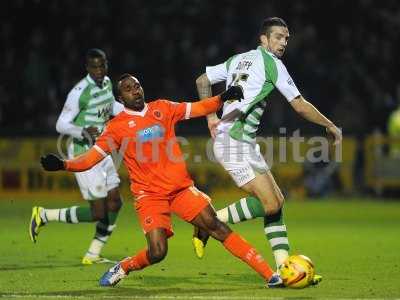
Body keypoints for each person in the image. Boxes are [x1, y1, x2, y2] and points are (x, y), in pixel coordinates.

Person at [40, 74, 284, 288]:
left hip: (181, 190)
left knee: (217, 227)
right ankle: (124, 267)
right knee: (158, 252)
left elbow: (197, 108)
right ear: (120, 98)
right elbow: (90, 159)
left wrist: (222, 97)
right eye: (128, 88)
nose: (135, 90)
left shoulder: (163, 108)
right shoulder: (116, 128)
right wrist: (63, 164)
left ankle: (269, 275)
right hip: (150, 197)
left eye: (137, 86)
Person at [194, 17, 342, 283]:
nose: (284, 42)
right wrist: (330, 125)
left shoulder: (237, 59)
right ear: (263, 39)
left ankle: (286, 269)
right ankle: (207, 222)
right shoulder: (273, 64)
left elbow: (202, 80)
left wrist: (211, 117)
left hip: (241, 141)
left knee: (277, 203)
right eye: (278, 37)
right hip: (233, 141)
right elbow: (299, 105)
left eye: (286, 38)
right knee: (269, 202)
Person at [29, 48, 125, 265]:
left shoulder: (108, 83)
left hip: (103, 149)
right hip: (84, 153)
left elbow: (111, 106)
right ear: (87, 68)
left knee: (115, 202)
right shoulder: (79, 92)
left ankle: (93, 254)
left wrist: (134, 111)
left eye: (103, 65)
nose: (99, 70)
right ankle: (44, 215)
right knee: (98, 212)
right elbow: (60, 124)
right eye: (95, 67)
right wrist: (82, 131)